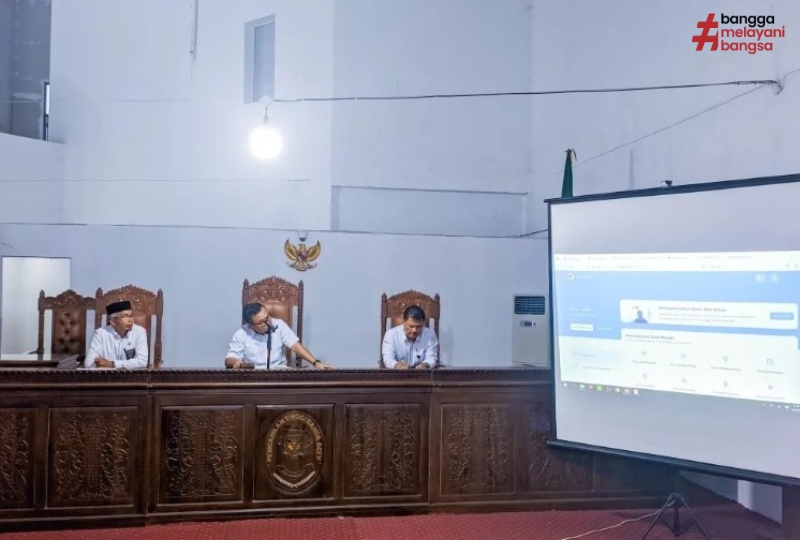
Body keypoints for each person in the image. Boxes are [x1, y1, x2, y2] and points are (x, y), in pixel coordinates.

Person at [225, 302, 334, 370]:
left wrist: (315, 362)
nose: (268, 322)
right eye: (262, 322)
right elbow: (229, 359)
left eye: (267, 317)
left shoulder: (279, 325)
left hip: (279, 372)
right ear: (251, 324)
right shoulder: (241, 334)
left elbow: (295, 346)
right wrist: (235, 362)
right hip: (254, 375)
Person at [85, 300, 149, 369]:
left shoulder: (139, 332)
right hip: (107, 374)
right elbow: (89, 363)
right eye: (125, 316)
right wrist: (98, 362)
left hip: (132, 374)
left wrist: (112, 364)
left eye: (131, 316)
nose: (130, 320)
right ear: (112, 321)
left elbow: (142, 362)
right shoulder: (100, 334)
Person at [382, 305, 439, 369]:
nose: (414, 330)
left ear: (423, 323)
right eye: (411, 326)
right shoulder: (391, 335)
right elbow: (388, 359)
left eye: (418, 326)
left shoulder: (430, 335)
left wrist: (426, 364)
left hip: (423, 373)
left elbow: (431, 357)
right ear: (404, 322)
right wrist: (396, 365)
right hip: (397, 373)